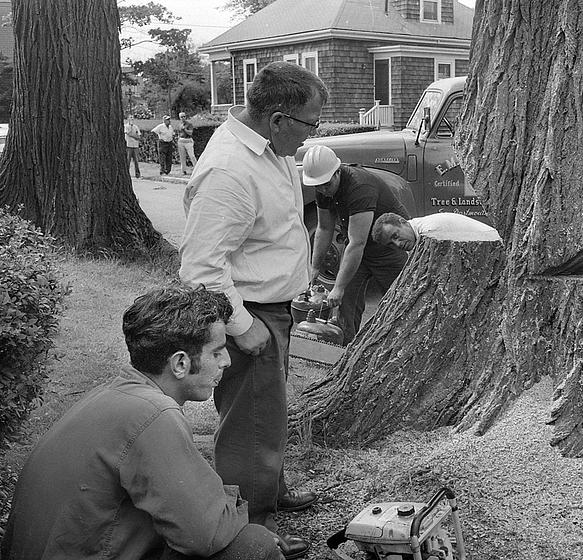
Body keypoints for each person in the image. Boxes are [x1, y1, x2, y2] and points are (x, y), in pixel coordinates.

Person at [0, 285, 284, 560]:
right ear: (180, 364)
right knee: (254, 544)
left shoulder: (113, 394)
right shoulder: (155, 414)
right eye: (217, 351)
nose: (227, 362)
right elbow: (204, 535)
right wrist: (235, 517)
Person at [180, 61, 327, 559]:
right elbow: (201, 268)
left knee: (266, 414)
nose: (315, 134)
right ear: (279, 118)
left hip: (272, 307)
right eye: (311, 123)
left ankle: (271, 491)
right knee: (249, 425)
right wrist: (242, 326)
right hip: (250, 312)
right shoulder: (229, 169)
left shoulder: (269, 149)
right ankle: (249, 530)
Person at [302, 145, 410, 344]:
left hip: (390, 247)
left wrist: (338, 287)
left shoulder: (359, 186)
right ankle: (345, 349)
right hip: (359, 247)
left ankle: (405, 346)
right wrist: (314, 268)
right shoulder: (323, 187)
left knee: (405, 301)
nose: (323, 190)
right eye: (318, 186)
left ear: (337, 172)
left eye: (326, 184)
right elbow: (324, 229)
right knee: (345, 304)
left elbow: (357, 242)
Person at [372, 211, 501, 250]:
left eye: (395, 236)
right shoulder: (416, 235)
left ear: (403, 222)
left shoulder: (430, 231)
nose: (398, 244)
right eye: (391, 244)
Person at [177, 111, 198, 176]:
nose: (183, 118)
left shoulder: (189, 124)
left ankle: (197, 169)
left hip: (188, 141)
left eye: (184, 116)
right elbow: (179, 133)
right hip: (181, 141)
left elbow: (190, 133)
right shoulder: (179, 124)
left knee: (192, 156)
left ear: (186, 117)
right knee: (182, 157)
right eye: (181, 117)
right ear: (179, 118)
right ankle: (183, 171)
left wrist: (185, 129)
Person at [124, 114, 141, 178]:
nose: (132, 119)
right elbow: (128, 133)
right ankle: (126, 174)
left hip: (135, 146)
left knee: (136, 161)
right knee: (128, 160)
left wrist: (135, 136)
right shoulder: (126, 126)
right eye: (130, 117)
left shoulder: (136, 127)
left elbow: (139, 136)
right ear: (128, 119)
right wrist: (135, 136)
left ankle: (137, 174)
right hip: (129, 145)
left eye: (132, 118)